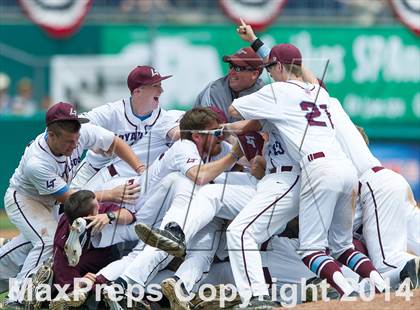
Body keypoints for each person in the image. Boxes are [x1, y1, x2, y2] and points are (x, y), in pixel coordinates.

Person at [227, 43, 386, 305]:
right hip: (346, 168)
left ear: (279, 66)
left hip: (318, 168)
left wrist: (257, 114)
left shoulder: (277, 90)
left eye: (269, 68)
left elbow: (235, 109)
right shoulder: (319, 93)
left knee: (310, 249)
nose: (269, 73)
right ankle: (379, 282)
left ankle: (347, 291)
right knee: (342, 246)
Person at [0, 102, 143, 306]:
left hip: (51, 199)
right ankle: (18, 299)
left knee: (29, 245)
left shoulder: (78, 134)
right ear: (51, 134)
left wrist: (140, 168)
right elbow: (70, 198)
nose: (75, 145)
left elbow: (115, 143)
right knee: (48, 242)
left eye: (76, 139)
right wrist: (110, 194)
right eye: (68, 141)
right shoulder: (37, 162)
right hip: (25, 199)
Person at [328, 99, 419, 289]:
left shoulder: (329, 144)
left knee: (387, 265)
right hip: (393, 187)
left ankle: (407, 267)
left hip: (375, 191)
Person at [71, 65, 182, 190]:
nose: (161, 91)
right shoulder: (113, 111)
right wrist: (94, 143)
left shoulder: (164, 119)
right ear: (137, 91)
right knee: (69, 204)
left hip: (129, 175)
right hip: (94, 169)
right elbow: (76, 123)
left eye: (160, 85)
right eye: (156, 86)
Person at [47, 190, 136, 309]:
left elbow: (130, 215)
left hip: (110, 256)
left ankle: (105, 293)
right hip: (84, 268)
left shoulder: (100, 211)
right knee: (71, 284)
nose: (100, 206)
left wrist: (109, 216)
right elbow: (63, 270)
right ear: (89, 216)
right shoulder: (64, 240)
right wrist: (78, 282)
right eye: (97, 206)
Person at [194, 47, 264, 123]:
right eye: (231, 66)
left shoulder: (264, 93)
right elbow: (214, 130)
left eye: (238, 69)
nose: (231, 72)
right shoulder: (215, 91)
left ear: (254, 74)